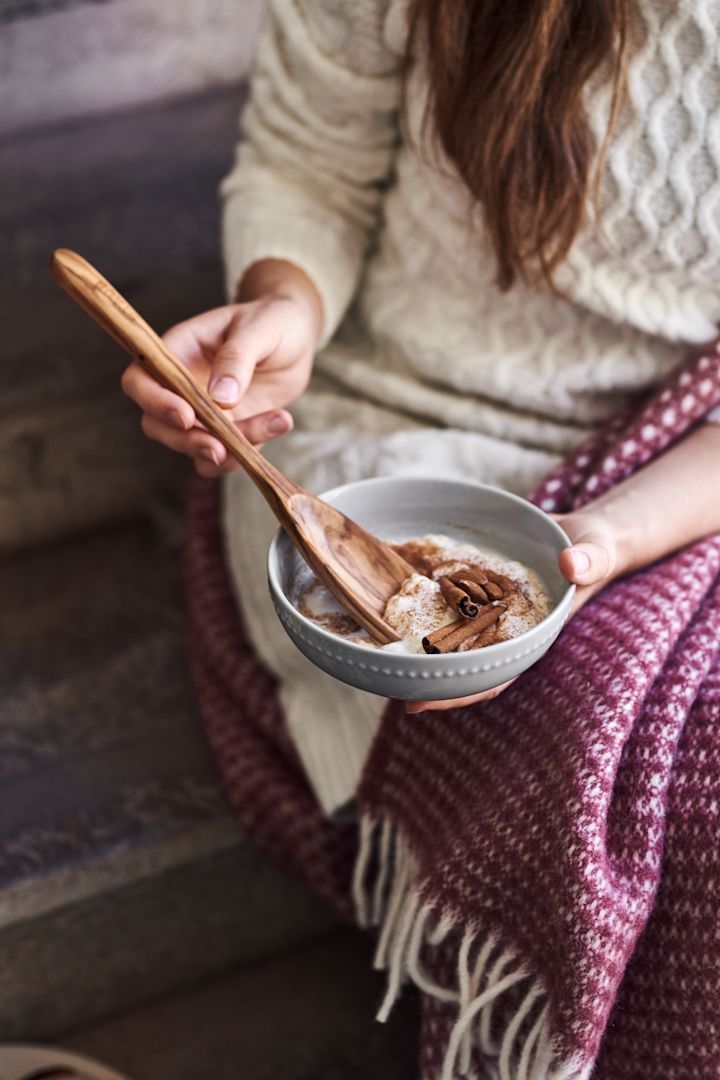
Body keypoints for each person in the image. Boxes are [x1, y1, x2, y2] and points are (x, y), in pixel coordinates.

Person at [122, 0, 720, 815]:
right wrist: (287, 306)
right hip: (387, 408)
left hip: (680, 463)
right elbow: (311, 164)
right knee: (552, 733)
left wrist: (616, 534)